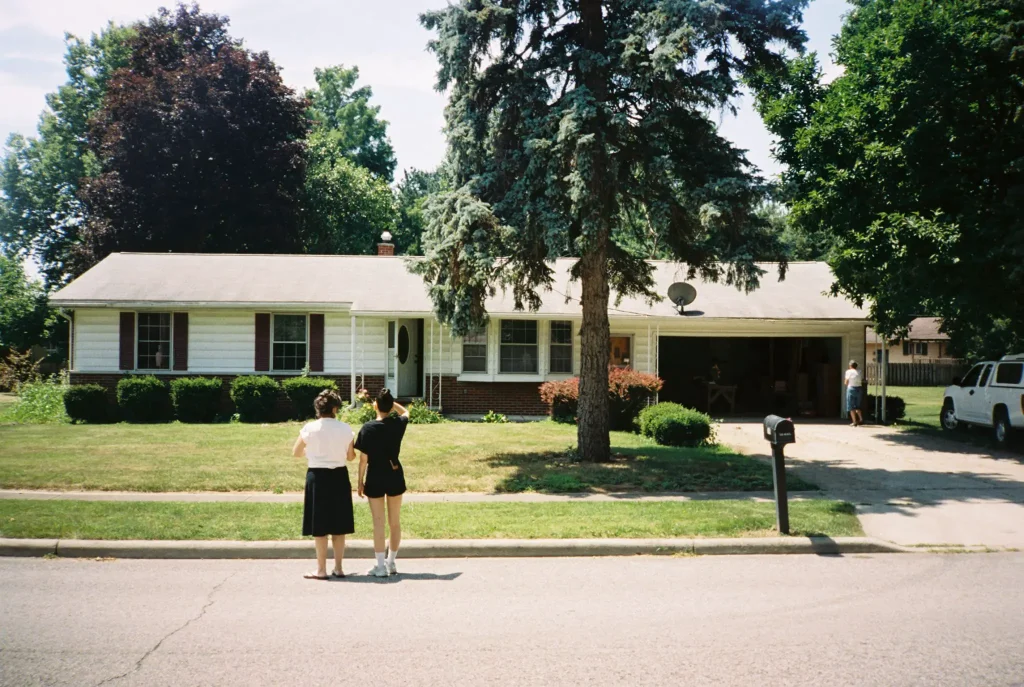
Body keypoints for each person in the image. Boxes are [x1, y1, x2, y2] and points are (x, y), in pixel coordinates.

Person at [292, 390, 356, 580]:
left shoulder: (309, 428)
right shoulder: (345, 429)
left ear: (318, 409)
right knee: (339, 525)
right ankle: (339, 567)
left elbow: (296, 452)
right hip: (339, 476)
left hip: (316, 476)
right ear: (335, 408)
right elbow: (351, 457)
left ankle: (321, 570)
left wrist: (311, 453)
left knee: (319, 527)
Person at [355, 388, 409, 577]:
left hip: (375, 475)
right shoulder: (397, 424)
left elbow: (363, 460)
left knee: (378, 522)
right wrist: (390, 403)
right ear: (390, 406)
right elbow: (406, 412)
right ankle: (391, 562)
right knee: (395, 522)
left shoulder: (368, 428)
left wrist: (359, 481)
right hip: (394, 473)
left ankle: (379, 566)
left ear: (375, 405)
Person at [844, 360, 864, 427]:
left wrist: (847, 384)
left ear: (850, 366)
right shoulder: (859, 371)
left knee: (851, 406)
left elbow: (846, 382)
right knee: (857, 405)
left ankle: (854, 422)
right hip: (859, 389)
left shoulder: (848, 371)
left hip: (851, 389)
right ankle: (861, 419)